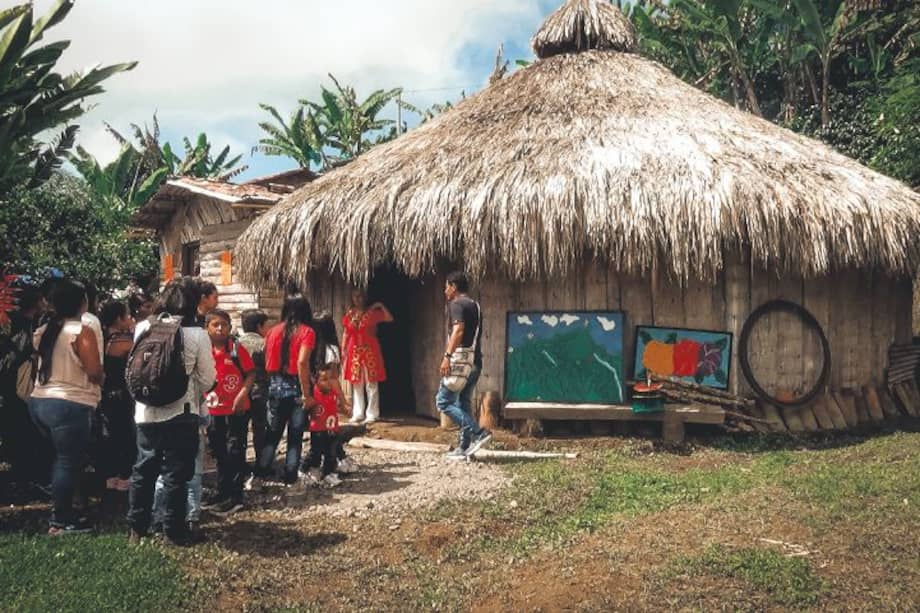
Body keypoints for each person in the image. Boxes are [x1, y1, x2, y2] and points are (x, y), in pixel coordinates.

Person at [127, 277, 215, 546]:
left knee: (144, 469)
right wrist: (188, 391)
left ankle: (137, 528)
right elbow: (207, 377)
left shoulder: (143, 326)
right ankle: (173, 530)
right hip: (181, 412)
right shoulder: (197, 334)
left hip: (145, 411)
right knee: (177, 473)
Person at [29, 279, 103, 535]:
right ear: (81, 302)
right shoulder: (81, 332)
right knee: (67, 462)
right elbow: (94, 371)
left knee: (60, 461)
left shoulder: (45, 330)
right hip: (70, 403)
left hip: (40, 400)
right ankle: (60, 521)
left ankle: (65, 511)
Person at [247, 294, 316, 489]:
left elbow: (267, 361)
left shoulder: (273, 331)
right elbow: (302, 362)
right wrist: (307, 394)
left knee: (273, 434)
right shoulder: (307, 332)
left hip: (276, 384)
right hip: (296, 385)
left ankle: (259, 475)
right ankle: (290, 476)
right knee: (295, 435)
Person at [201, 309, 254, 515]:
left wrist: (242, 395)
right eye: (215, 325)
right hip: (213, 411)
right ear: (207, 328)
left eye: (224, 325)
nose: (220, 328)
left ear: (230, 327)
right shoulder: (203, 351)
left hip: (236, 410)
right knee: (219, 452)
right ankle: (222, 492)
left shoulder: (236, 349)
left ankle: (235, 496)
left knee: (235, 451)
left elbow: (250, 374)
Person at [0, 279, 50, 488]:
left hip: (11, 389)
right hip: (16, 389)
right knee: (23, 430)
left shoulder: (13, 323)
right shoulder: (23, 325)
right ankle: (28, 474)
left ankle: (23, 472)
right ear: (37, 302)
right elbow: (15, 357)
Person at [437, 271, 491, 460]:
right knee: (464, 402)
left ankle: (478, 432)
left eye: (446, 286)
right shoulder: (475, 305)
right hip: (474, 362)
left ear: (453, 286)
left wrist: (447, 356)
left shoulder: (456, 304)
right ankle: (464, 446)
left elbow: (458, 331)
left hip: (459, 363)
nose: (445, 291)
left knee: (443, 401)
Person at [308, 312, 355, 474]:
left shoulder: (310, 348)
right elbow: (333, 379)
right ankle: (333, 463)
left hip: (314, 394)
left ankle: (316, 464)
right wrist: (343, 401)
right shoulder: (331, 350)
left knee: (318, 430)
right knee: (331, 431)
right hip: (327, 397)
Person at [96, 300, 136, 491]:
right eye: (127, 315)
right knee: (125, 435)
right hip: (122, 392)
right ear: (119, 319)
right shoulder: (124, 342)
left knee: (110, 434)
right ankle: (125, 476)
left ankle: (110, 475)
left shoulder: (102, 339)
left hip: (106, 392)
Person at [342, 290, 393, 424]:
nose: (358, 299)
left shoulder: (372, 313)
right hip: (354, 352)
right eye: (355, 296)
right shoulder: (349, 314)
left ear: (365, 298)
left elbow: (389, 318)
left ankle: (372, 414)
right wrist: (343, 350)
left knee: (372, 383)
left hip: (370, 351)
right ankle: (358, 413)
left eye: (360, 296)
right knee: (357, 384)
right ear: (352, 298)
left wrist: (380, 306)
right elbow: (346, 333)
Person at [238, 309, 270, 472]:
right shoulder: (264, 344)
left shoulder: (237, 343)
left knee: (240, 428)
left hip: (240, 392)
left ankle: (241, 463)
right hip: (259, 391)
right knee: (259, 428)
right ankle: (261, 464)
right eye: (266, 326)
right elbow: (269, 367)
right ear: (259, 326)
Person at [303, 364, 343, 487]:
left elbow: (337, 407)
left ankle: (328, 474)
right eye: (324, 380)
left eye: (330, 378)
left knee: (331, 453)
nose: (328, 382)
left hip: (332, 429)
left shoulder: (333, 392)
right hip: (318, 430)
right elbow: (306, 407)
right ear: (316, 381)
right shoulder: (314, 394)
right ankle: (304, 469)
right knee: (315, 453)